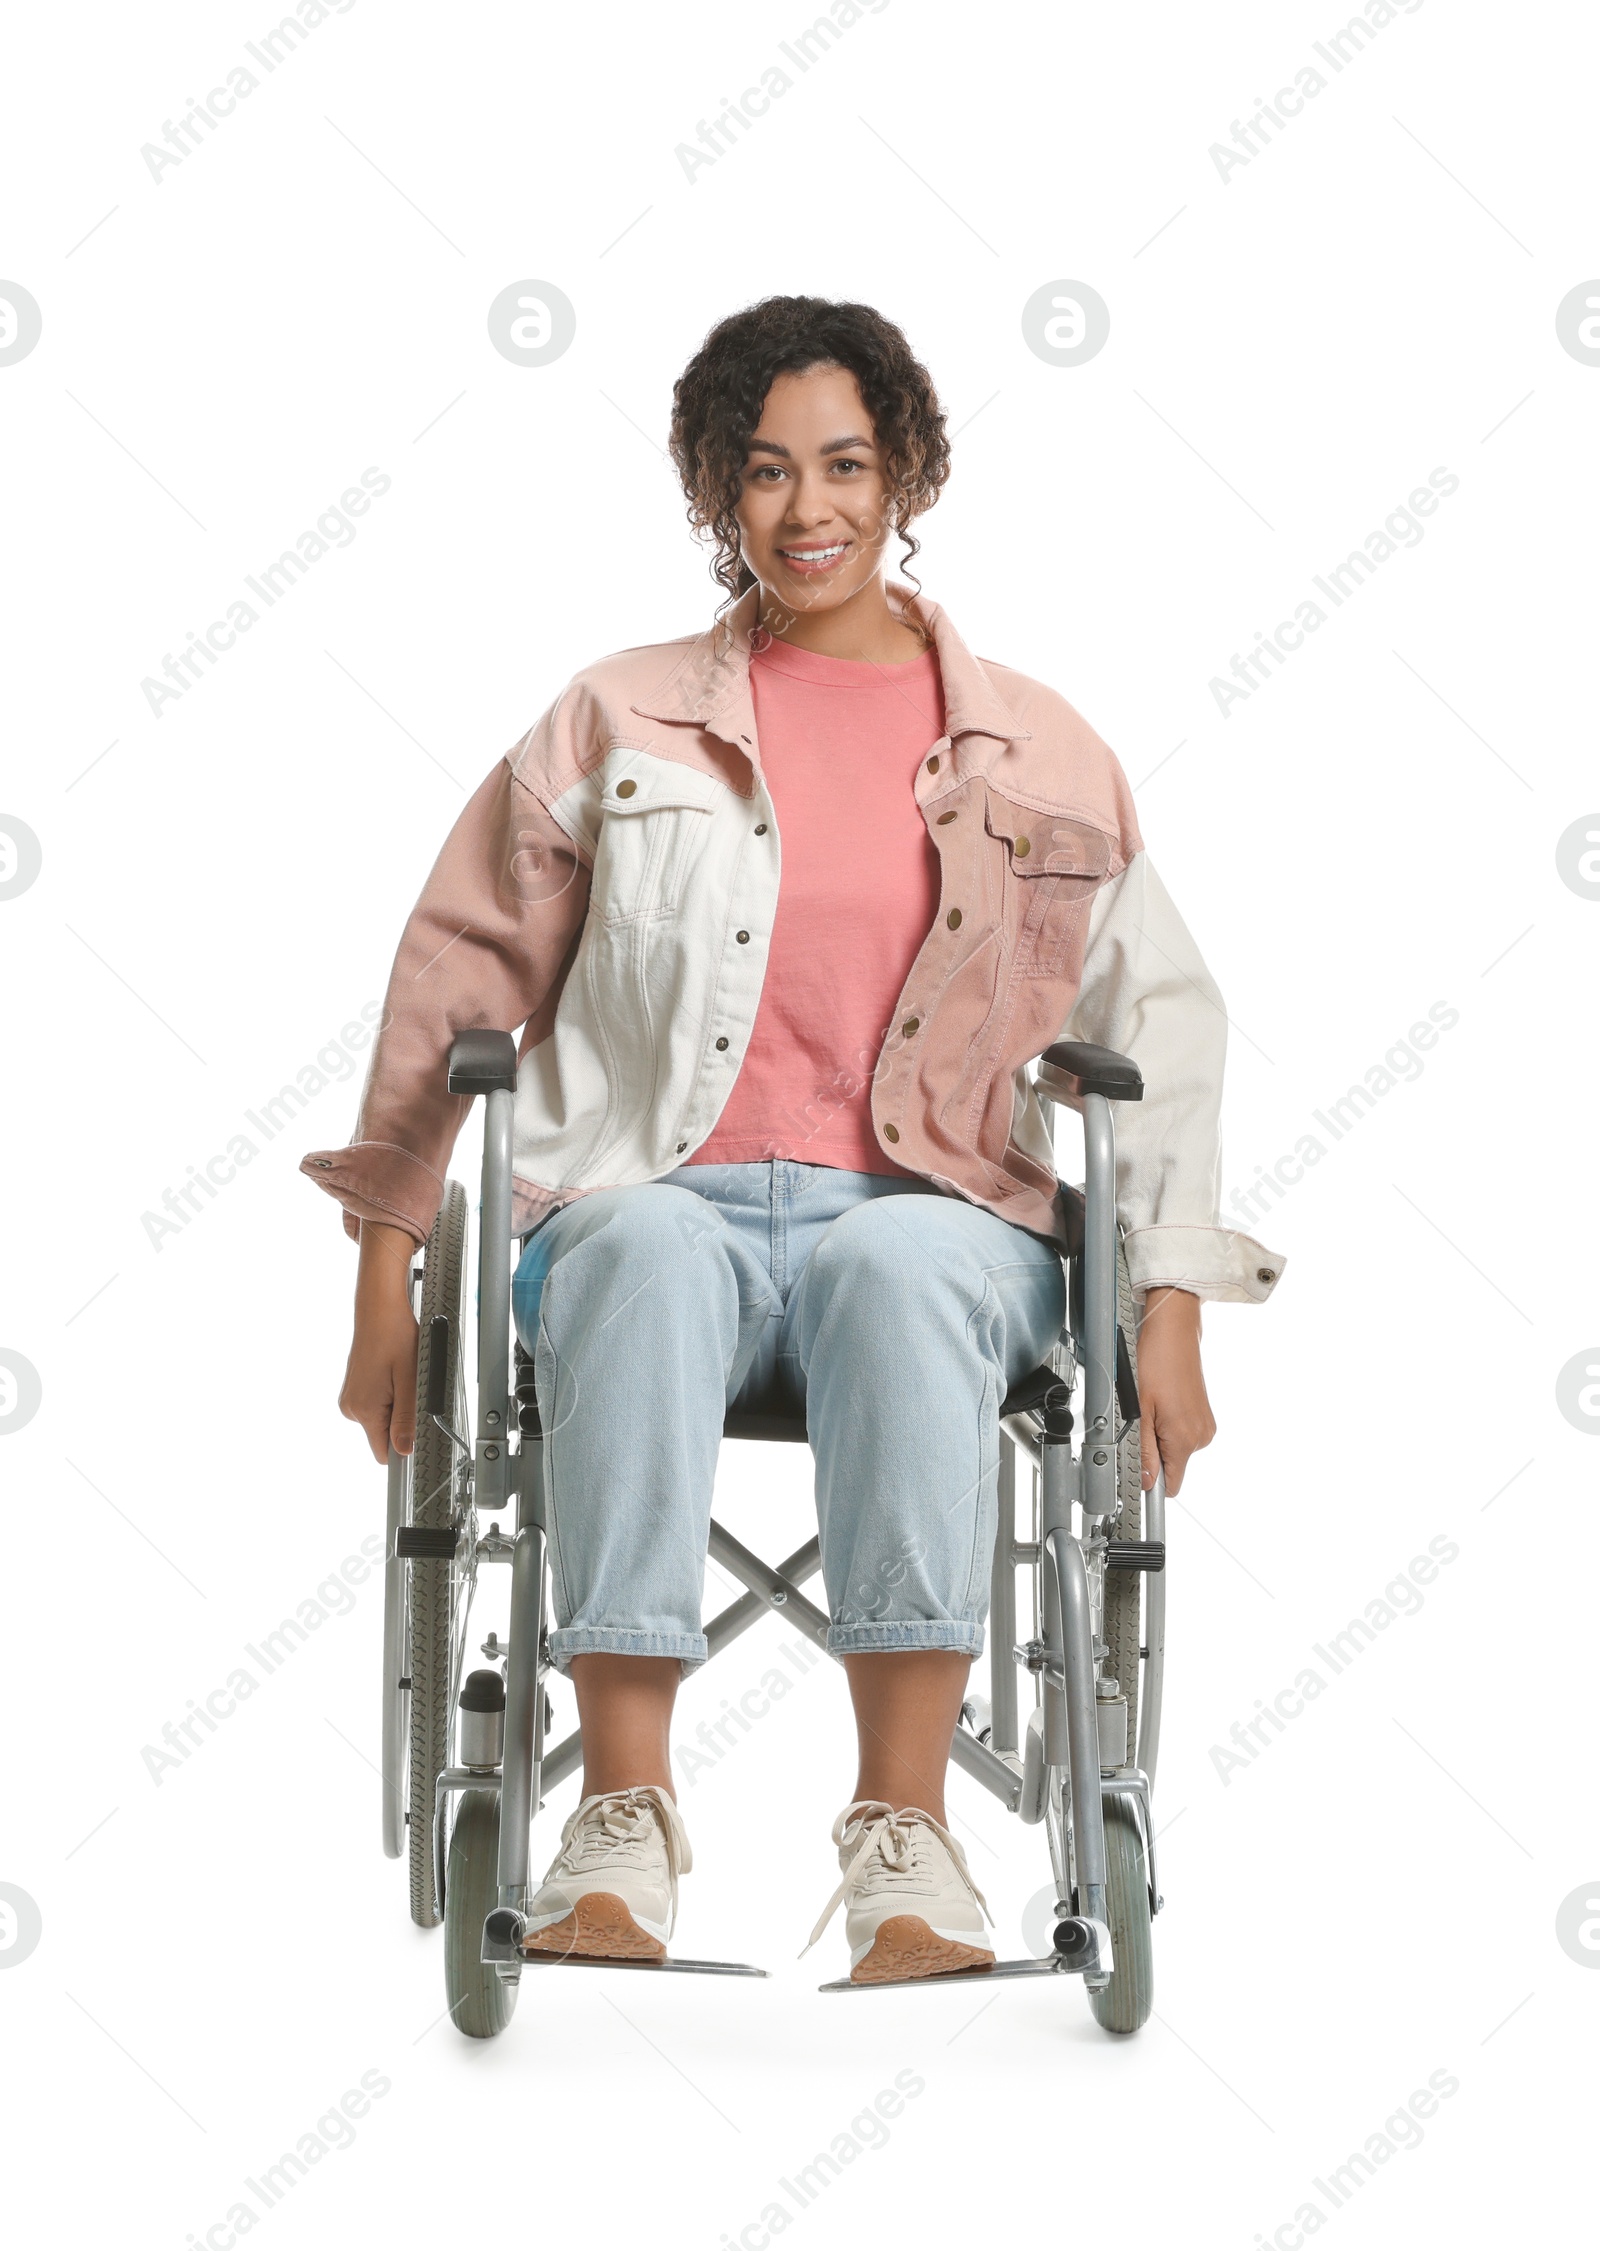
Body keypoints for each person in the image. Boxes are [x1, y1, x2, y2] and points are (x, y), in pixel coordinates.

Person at [306, 295, 1283, 1984]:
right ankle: (618, 1826)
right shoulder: (617, 719)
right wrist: (391, 1269)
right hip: (648, 1189)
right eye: (762, 471)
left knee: (904, 1256)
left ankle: (906, 1840)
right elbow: (455, 977)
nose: (807, 507)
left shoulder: (1041, 749)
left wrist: (1170, 1302)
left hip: (936, 1213)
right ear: (711, 492)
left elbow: (1162, 1027)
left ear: (908, 472)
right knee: (637, 1242)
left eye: (845, 462)